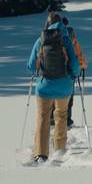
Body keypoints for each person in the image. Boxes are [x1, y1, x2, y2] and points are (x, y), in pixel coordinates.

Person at [26, 10, 80, 163]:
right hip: (64, 86)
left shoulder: (40, 41)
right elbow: (75, 65)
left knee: (43, 117)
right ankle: (59, 148)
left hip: (44, 87)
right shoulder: (66, 40)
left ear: (47, 24)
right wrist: (72, 76)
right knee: (61, 115)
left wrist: (38, 69)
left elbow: (30, 66)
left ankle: (41, 153)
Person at [50, 16, 87, 128]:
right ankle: (66, 120)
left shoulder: (45, 35)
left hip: (48, 76)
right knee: (67, 98)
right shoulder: (69, 35)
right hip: (67, 76)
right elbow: (77, 54)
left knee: (52, 96)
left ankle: (52, 118)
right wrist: (82, 66)